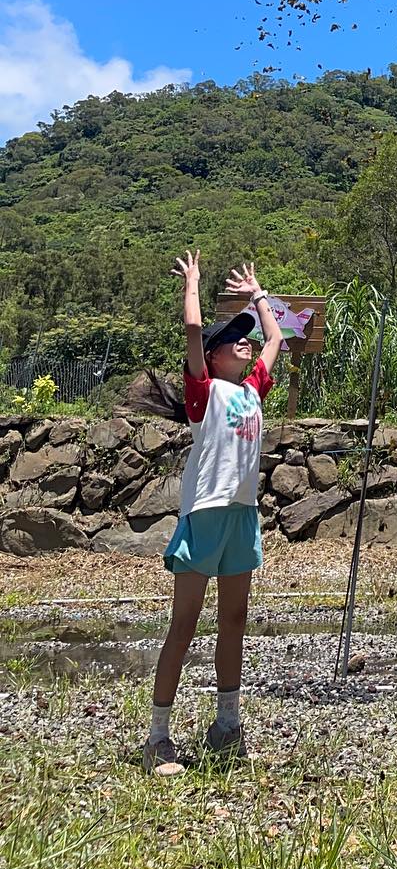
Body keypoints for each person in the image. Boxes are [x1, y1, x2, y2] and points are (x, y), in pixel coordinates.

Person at [143, 253, 283, 775]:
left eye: (244, 339)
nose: (244, 343)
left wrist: (258, 294)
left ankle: (228, 725)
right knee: (183, 625)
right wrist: (194, 283)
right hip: (204, 514)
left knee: (234, 622)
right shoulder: (205, 392)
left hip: (242, 516)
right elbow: (192, 328)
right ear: (213, 355)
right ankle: (158, 737)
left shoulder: (252, 390)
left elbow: (275, 339)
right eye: (233, 340)